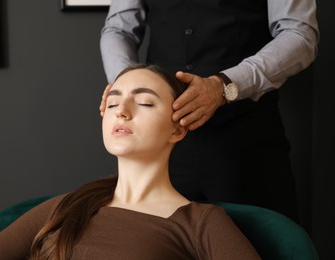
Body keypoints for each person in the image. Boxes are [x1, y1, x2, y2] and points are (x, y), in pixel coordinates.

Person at [0, 64, 261, 260]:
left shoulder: (201, 222)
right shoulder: (66, 207)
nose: (122, 111)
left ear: (178, 128)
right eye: (112, 102)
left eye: (143, 101)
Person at [100, 0, 319, 221]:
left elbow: (300, 34)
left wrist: (226, 86)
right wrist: (125, 84)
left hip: (247, 145)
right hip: (161, 149)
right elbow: (118, 29)